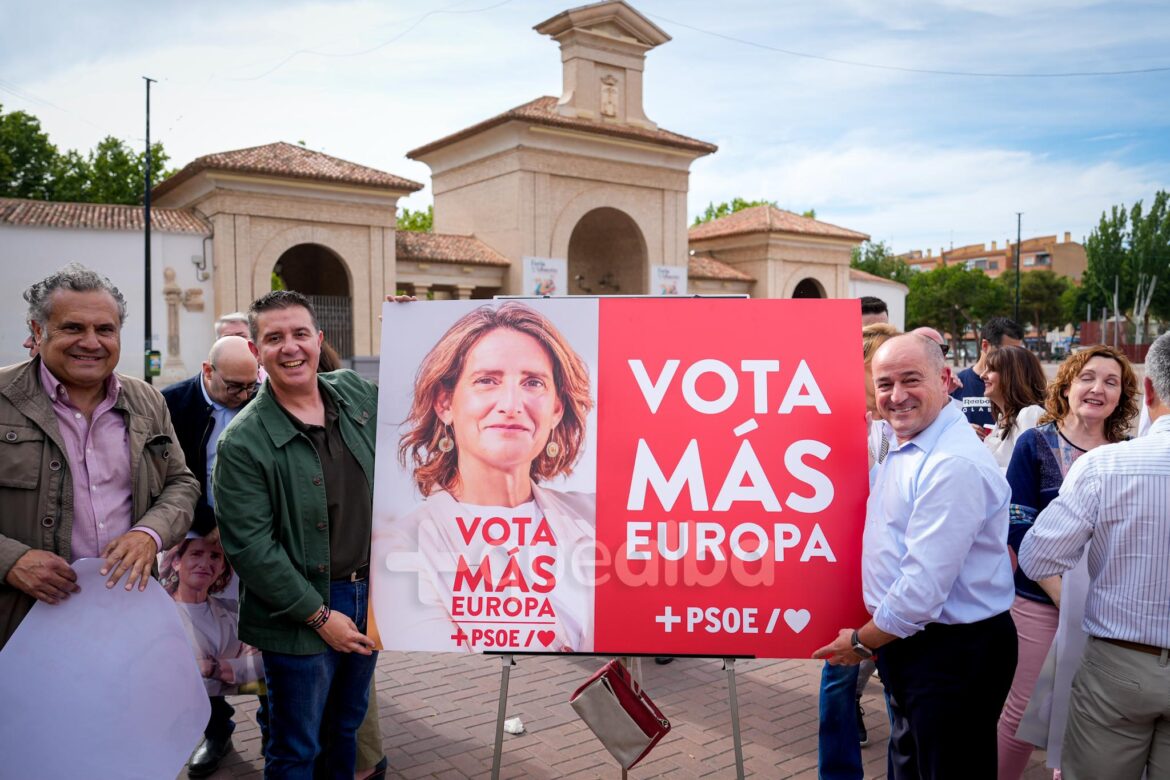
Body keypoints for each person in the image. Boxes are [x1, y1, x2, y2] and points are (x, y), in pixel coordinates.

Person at [813, 333, 1017, 780]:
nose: (897, 395)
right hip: (915, 645)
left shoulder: (952, 464)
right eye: (885, 384)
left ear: (945, 379)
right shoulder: (907, 437)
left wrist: (861, 642)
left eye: (911, 379)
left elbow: (921, 590)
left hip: (950, 654)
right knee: (910, 764)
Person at [214, 290, 381, 779]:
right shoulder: (243, 441)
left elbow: (424, 401)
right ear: (255, 350)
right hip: (299, 609)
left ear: (318, 339)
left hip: (368, 595)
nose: (290, 347)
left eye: (300, 334)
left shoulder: (354, 394)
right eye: (274, 338)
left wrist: (414, 321)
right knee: (296, 747)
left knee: (345, 729)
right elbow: (251, 548)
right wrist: (319, 616)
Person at [0, 263, 199, 648]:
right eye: (73, 328)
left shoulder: (147, 401)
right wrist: (10, 561)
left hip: (126, 616)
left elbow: (181, 483)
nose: (91, 342)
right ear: (38, 331)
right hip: (21, 621)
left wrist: (149, 533)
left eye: (105, 329)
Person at [390, 301, 595, 652]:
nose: (511, 404)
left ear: (557, 409)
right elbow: (444, 670)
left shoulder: (600, 515)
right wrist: (400, 319)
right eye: (487, 381)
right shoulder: (401, 544)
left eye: (533, 382)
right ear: (445, 404)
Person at [1018, 332, 1170, 780]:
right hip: (1107, 649)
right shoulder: (1047, 444)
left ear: (1145, 390)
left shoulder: (1108, 464)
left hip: (1120, 660)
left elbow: (1037, 558)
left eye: (1111, 381)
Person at [997, 345, 1138, 779]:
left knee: (1090, 714)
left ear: (1122, 396)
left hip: (1107, 611)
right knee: (1023, 710)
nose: (1097, 389)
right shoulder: (1035, 444)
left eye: (1111, 382)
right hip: (1039, 603)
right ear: (1067, 385)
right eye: (1087, 378)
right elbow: (1016, 524)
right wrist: (1064, 595)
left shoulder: (1128, 452)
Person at [162, 335, 264, 776]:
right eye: (234, 386)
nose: (243, 395)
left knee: (258, 635)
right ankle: (215, 731)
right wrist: (208, 523)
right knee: (195, 641)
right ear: (207, 371)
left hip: (255, 539)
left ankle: (272, 728)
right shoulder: (172, 403)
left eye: (250, 386)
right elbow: (166, 474)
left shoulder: (262, 400)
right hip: (194, 538)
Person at [817, 322, 895, 780]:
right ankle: (838, 772)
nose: (889, 378)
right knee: (840, 675)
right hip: (849, 572)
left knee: (898, 683)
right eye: (879, 366)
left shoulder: (902, 424)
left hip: (894, 573)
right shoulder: (834, 422)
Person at [161, 535, 264, 697]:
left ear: (222, 567)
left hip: (222, 707)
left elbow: (262, 664)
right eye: (196, 554)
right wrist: (236, 667)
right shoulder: (159, 612)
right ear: (176, 562)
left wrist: (210, 668)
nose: (204, 564)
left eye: (215, 556)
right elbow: (170, 675)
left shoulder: (234, 610)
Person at [951, 316, 1024, 433]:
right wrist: (961, 429)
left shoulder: (1021, 385)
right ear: (985, 345)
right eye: (1007, 352)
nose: (1013, 358)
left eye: (1017, 353)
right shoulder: (956, 384)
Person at [980, 345, 1047, 470]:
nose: (982, 375)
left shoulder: (1030, 414)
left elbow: (1028, 472)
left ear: (1013, 375)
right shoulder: (1002, 418)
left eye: (991, 369)